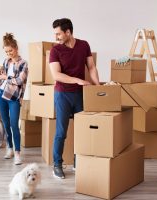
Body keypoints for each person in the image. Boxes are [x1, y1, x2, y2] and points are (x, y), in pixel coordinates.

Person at [49, 18, 100, 178]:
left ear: (68, 32)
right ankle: (57, 164)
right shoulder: (55, 50)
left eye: (58, 34)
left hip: (80, 95)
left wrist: (98, 85)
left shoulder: (84, 45)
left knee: (82, 130)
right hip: (62, 94)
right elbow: (56, 75)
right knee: (61, 132)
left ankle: (79, 162)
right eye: (55, 34)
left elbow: (91, 67)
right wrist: (77, 80)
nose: (56, 37)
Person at [0, 33, 28, 165]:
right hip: (1, 94)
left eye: (11, 50)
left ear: (16, 48)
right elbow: (2, 76)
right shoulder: (5, 61)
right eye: (6, 51)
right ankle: (9, 148)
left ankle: (18, 153)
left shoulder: (23, 63)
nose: (9, 53)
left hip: (14, 97)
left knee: (14, 124)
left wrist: (6, 78)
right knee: (6, 123)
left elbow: (20, 80)